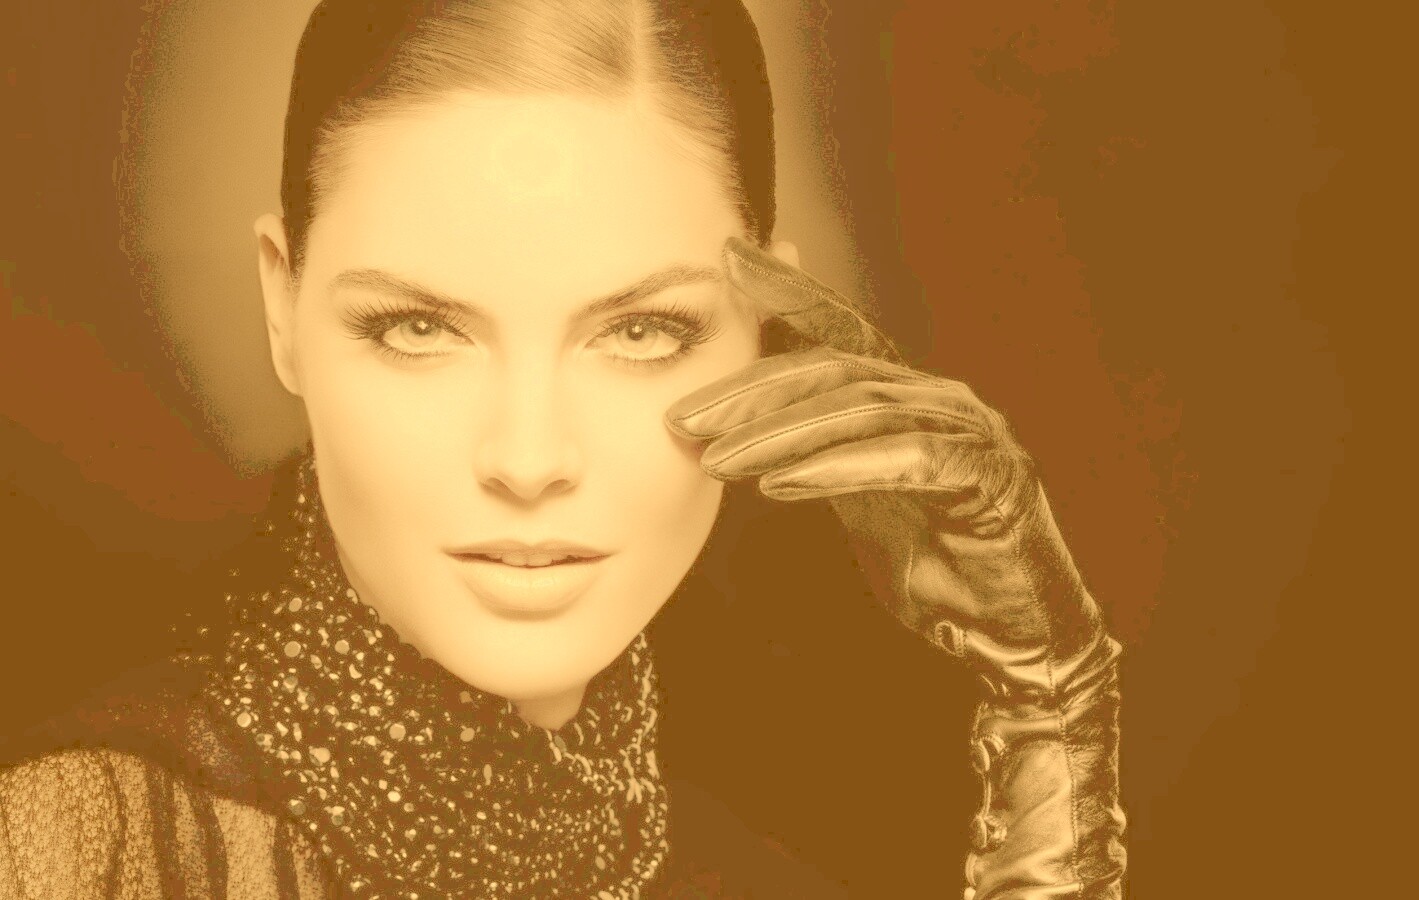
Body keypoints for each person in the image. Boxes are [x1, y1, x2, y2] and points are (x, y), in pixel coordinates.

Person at [0, 0, 1126, 896]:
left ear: (771, 331)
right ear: (281, 308)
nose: (529, 458)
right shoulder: (81, 850)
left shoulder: (751, 876)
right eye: (418, 328)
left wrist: (1050, 713)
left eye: (642, 332)